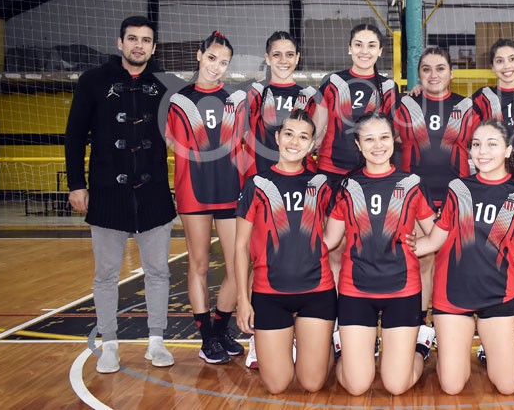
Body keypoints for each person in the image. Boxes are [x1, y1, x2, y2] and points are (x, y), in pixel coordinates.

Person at [65, 15, 176, 374]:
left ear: (154, 47)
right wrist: (76, 184)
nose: (138, 45)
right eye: (132, 38)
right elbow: (74, 136)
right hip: (107, 192)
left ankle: (156, 342)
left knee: (158, 272)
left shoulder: (166, 85)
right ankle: (109, 343)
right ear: (119, 42)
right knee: (106, 274)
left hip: (155, 192)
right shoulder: (92, 81)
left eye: (146, 40)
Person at [412, 119, 514, 396]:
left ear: (507, 150)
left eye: (492, 144)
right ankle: (426, 344)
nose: (482, 152)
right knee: (452, 387)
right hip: (453, 294)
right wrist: (393, 246)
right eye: (476, 145)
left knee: (507, 386)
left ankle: (489, 350)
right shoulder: (459, 188)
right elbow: (435, 239)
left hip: (499, 295)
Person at [322, 113, 435, 396]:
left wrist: (423, 245)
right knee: (358, 386)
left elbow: (436, 231)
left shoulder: (411, 183)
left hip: (402, 290)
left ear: (393, 141)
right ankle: (345, 352)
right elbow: (330, 240)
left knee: (396, 386)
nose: (377, 145)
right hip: (356, 291)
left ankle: (420, 347)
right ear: (358, 145)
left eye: (383, 137)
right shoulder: (347, 186)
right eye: (368, 139)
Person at [235, 110, 336, 393]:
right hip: (270, 294)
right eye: (289, 134)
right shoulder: (256, 184)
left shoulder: (321, 185)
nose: (295, 141)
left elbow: (334, 234)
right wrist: (243, 300)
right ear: (278, 137)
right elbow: (240, 246)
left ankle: (327, 345)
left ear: (312, 145)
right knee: (277, 385)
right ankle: (295, 347)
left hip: (316, 291)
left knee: (312, 383)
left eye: (303, 136)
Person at [165, 31, 247, 364]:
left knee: (238, 267)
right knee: (198, 264)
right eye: (212, 58)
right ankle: (206, 338)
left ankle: (219, 328)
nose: (216, 67)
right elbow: (171, 144)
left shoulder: (235, 101)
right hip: (194, 192)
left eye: (224, 62)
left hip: (230, 191)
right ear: (199, 56)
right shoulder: (177, 101)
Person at [393, 47, 473, 333]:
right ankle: (422, 327)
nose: (433, 74)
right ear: (419, 75)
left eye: (440, 68)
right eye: (426, 69)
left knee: (458, 262)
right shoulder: (404, 105)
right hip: (416, 199)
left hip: (457, 199)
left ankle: (457, 325)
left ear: (451, 73)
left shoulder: (467, 107)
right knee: (424, 260)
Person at [315, 23, 398, 178]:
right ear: (349, 48)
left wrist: (418, 95)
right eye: (358, 45)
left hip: (370, 172)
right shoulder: (333, 81)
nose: (364, 51)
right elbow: (316, 130)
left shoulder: (388, 87)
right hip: (331, 170)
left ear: (379, 51)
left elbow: (396, 134)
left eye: (371, 46)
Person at [245, 31, 319, 178]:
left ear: (297, 58)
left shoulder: (310, 97)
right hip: (260, 176)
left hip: (297, 179)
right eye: (277, 54)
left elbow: (312, 141)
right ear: (267, 58)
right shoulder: (253, 94)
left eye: (290, 54)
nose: (283, 60)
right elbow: (244, 135)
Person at [467, 38, 514, 182]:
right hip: (492, 180)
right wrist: (420, 93)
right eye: (500, 61)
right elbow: (449, 108)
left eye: (512, 59)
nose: (507, 66)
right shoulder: (481, 98)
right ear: (492, 67)